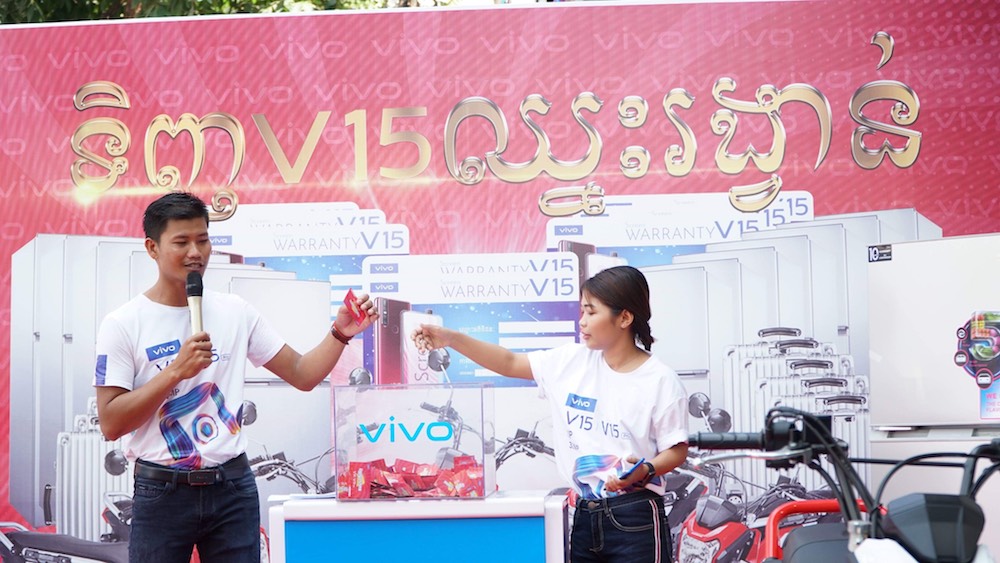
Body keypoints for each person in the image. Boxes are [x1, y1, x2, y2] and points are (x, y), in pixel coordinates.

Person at [93, 192, 377, 563]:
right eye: (181, 242)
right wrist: (176, 371)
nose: (195, 252)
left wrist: (340, 333)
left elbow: (302, 374)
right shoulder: (123, 323)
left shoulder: (234, 312)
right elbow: (112, 422)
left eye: (202, 240)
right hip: (161, 492)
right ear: (152, 248)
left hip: (232, 490)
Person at [413, 265, 688, 562]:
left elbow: (677, 449)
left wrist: (645, 470)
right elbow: (508, 362)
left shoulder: (660, 380)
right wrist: (451, 339)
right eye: (581, 311)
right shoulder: (570, 361)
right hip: (584, 513)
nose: (582, 322)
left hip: (634, 516)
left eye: (591, 312)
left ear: (624, 318)